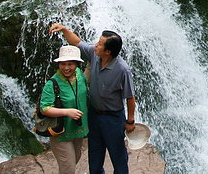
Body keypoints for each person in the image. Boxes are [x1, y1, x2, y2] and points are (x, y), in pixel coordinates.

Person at [48, 24, 136, 174]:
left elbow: (130, 97)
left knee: (118, 156)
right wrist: (63, 29)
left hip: (113, 118)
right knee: (95, 154)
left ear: (108, 51)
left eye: (100, 44)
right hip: (94, 115)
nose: (96, 45)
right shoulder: (95, 55)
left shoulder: (122, 70)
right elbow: (77, 42)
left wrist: (130, 121)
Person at [40, 45, 89, 174]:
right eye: (63, 64)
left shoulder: (79, 75)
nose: (66, 68)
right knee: (69, 169)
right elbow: (44, 108)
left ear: (77, 64)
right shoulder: (52, 83)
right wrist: (67, 112)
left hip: (78, 130)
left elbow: (88, 73)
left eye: (70, 64)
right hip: (61, 133)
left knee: (74, 162)